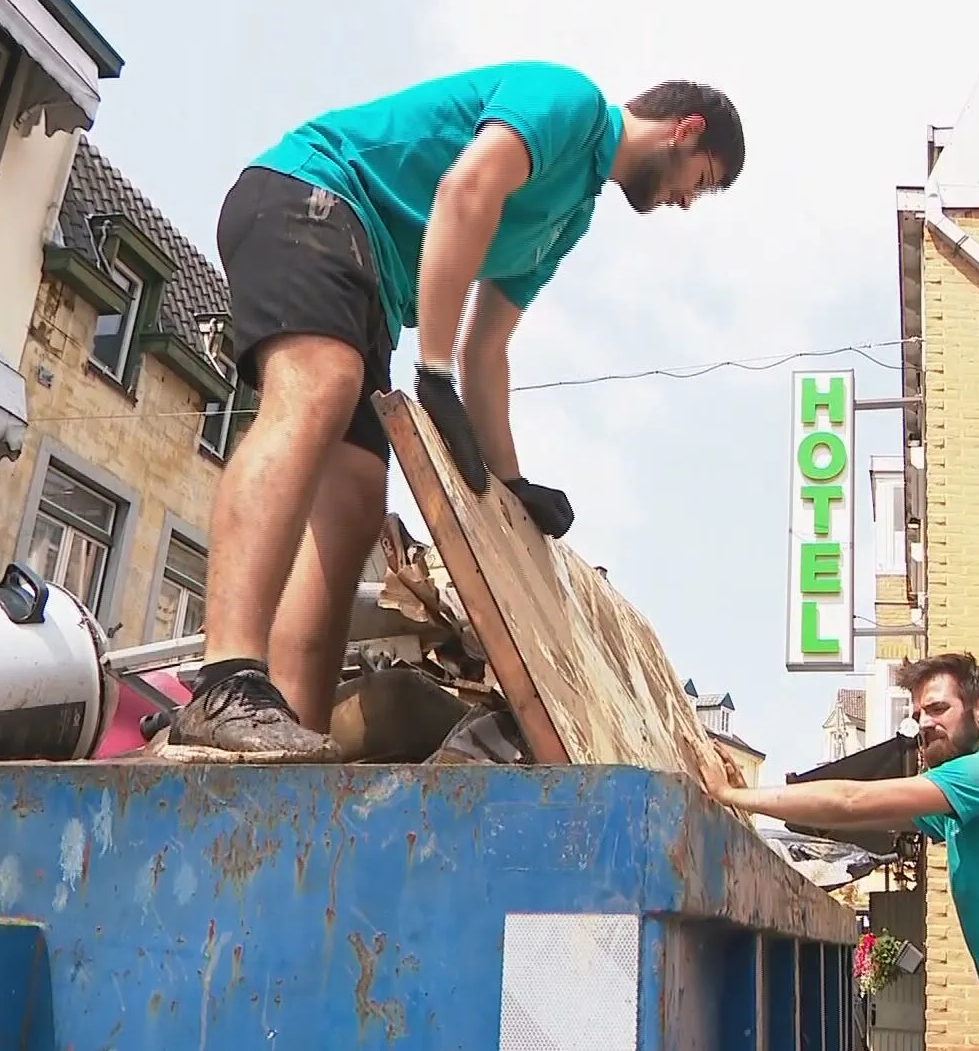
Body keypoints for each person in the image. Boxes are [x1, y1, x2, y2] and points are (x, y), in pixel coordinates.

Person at [165, 61, 746, 762]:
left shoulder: (570, 215)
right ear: (686, 131)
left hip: (373, 281)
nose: (688, 201)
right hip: (313, 195)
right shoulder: (570, 102)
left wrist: (511, 482)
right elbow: (464, 189)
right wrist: (431, 366)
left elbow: (488, 348)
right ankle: (226, 681)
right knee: (317, 388)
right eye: (702, 180)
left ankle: (287, 740)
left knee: (352, 503)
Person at [699, 652, 979, 1051]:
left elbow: (853, 800)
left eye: (938, 708)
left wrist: (734, 797)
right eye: (919, 712)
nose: (924, 723)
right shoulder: (964, 808)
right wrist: (757, 796)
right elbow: (865, 816)